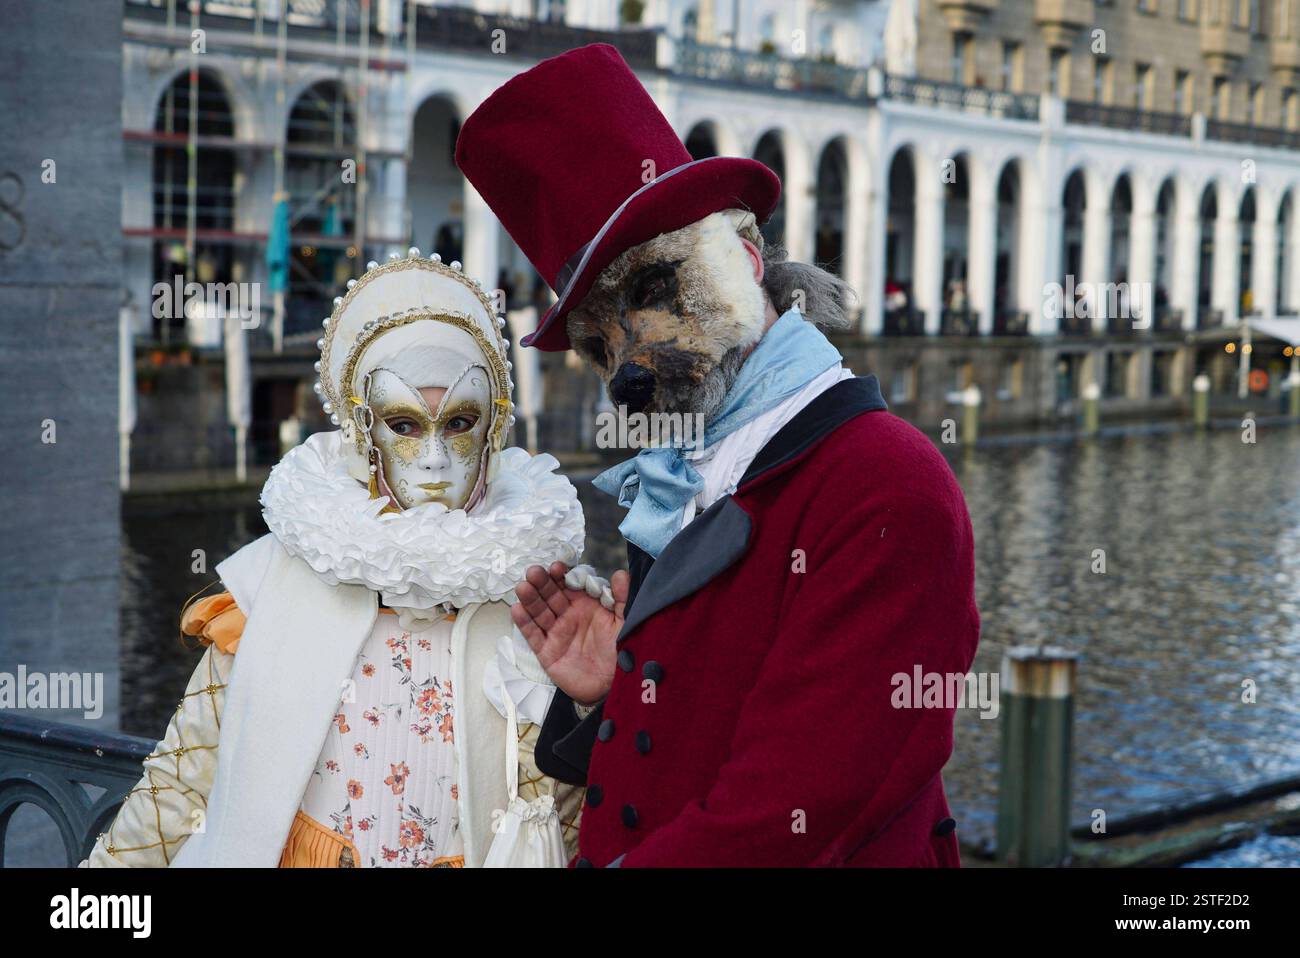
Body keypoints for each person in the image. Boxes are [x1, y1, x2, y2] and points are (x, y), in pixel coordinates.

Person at [456, 43, 981, 867]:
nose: (627, 365)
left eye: (654, 293)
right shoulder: (698, 466)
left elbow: (804, 801)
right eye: (599, 340)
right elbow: (697, 738)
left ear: (742, 255)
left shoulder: (887, 484)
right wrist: (619, 692)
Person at [84, 250, 595, 868]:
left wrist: (588, 707)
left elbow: (566, 827)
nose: (434, 461)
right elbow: (181, 785)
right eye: (403, 425)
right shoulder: (274, 587)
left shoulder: (543, 603)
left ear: (492, 428)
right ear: (364, 433)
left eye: (459, 422)